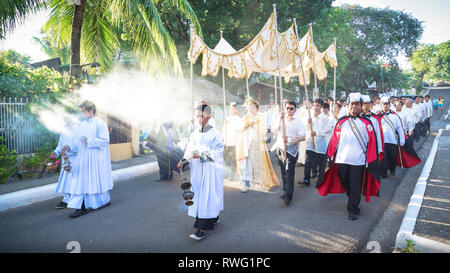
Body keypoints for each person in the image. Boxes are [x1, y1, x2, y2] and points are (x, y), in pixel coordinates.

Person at [316, 92, 380, 220]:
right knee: (345, 182)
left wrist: (370, 160)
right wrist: (330, 156)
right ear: (348, 105)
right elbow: (334, 140)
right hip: (341, 159)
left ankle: (353, 209)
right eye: (352, 104)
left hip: (359, 161)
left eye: (357, 104)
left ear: (361, 106)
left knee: (356, 185)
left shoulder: (367, 123)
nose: (354, 107)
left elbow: (372, 142)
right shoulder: (341, 121)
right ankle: (353, 199)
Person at [177, 104, 224, 241]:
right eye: (197, 115)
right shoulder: (195, 133)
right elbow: (190, 149)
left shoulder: (216, 134)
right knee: (201, 196)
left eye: (201, 115)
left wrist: (202, 155)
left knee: (207, 196)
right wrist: (184, 160)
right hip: (197, 170)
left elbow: (218, 153)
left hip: (210, 170)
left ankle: (201, 229)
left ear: (208, 116)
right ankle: (214, 215)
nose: (198, 118)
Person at [67, 100, 113, 218]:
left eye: (83, 111)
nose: (82, 114)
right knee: (81, 182)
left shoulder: (100, 124)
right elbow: (78, 141)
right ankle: (81, 207)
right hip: (83, 157)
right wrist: (70, 147)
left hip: (95, 158)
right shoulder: (82, 124)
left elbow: (104, 140)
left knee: (94, 181)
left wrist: (89, 141)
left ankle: (101, 202)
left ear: (91, 110)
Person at [235, 100, 279, 192]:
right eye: (249, 108)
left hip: (258, 143)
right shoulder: (246, 117)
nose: (251, 110)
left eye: (253, 108)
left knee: (259, 164)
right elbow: (239, 128)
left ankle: (259, 182)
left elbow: (263, 131)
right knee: (246, 164)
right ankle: (246, 184)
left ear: (257, 109)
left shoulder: (261, 117)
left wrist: (254, 125)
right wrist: (247, 124)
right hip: (246, 144)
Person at [271, 101, 306, 205]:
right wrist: (280, 119)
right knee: (283, 171)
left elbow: (303, 136)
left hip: (292, 150)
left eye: (291, 108)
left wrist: (290, 140)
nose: (289, 110)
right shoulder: (281, 119)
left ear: (295, 110)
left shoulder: (298, 122)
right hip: (281, 148)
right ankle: (285, 189)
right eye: (287, 108)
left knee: (289, 172)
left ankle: (288, 196)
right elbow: (274, 130)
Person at [299, 98, 331, 187]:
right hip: (310, 142)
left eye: (317, 105)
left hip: (321, 144)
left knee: (321, 164)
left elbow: (328, 130)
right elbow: (305, 128)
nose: (315, 107)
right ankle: (306, 179)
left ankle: (320, 181)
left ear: (321, 106)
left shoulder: (325, 118)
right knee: (308, 161)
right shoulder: (310, 116)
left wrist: (317, 133)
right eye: (314, 105)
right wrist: (308, 123)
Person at [51, 116, 81, 209]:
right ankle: (66, 199)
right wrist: (56, 152)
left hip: (75, 159)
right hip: (65, 159)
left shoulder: (79, 130)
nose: (67, 121)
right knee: (65, 181)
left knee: (74, 181)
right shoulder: (64, 131)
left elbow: (79, 145)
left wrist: (70, 147)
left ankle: (75, 199)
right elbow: (60, 145)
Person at [379, 96, 405, 178]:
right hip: (382, 141)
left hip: (392, 141)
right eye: (384, 104)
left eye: (387, 104)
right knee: (384, 158)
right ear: (381, 105)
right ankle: (384, 173)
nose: (385, 106)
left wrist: (402, 139)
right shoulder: (377, 116)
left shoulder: (394, 116)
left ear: (389, 105)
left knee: (392, 157)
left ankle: (392, 169)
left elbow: (400, 128)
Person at [361, 95, 383, 160]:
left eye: (368, 103)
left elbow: (378, 134)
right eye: (364, 103)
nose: (366, 105)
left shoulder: (374, 118)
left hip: (372, 145)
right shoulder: (356, 117)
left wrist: (379, 148)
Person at [223, 102, 241, 181]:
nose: (230, 110)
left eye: (232, 109)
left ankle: (232, 174)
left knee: (232, 158)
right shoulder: (227, 118)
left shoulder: (238, 119)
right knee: (226, 158)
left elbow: (238, 129)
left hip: (234, 141)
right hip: (226, 141)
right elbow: (224, 129)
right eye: (230, 109)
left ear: (236, 110)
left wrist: (229, 123)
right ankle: (227, 173)